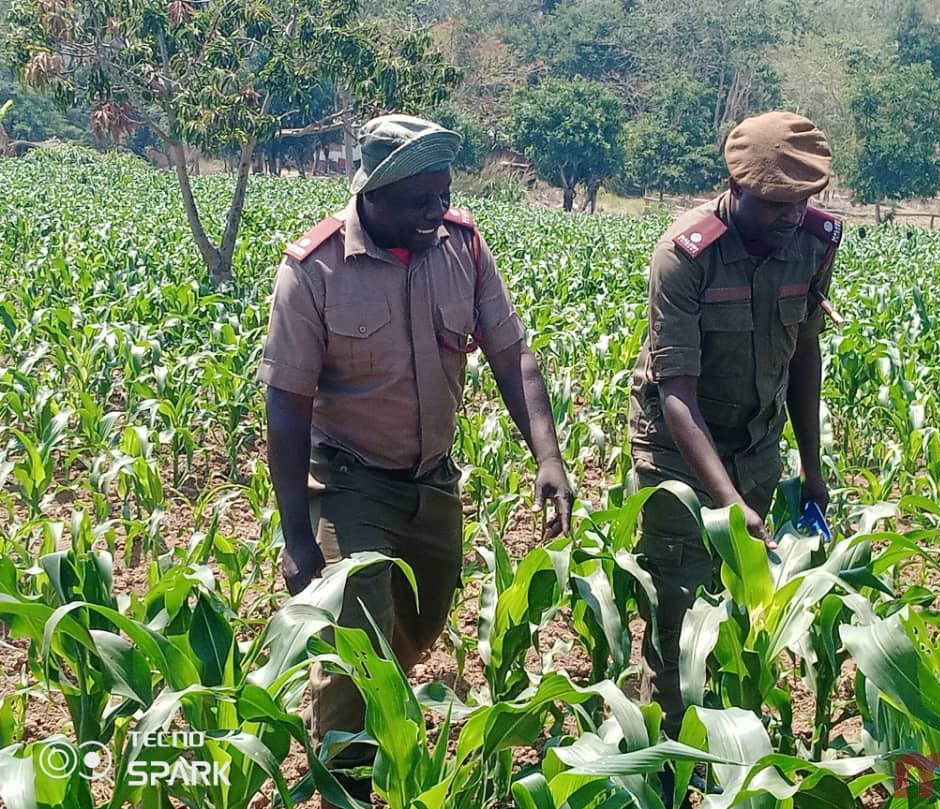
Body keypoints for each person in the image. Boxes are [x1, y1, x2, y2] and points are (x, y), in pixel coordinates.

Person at [257, 114, 574, 806]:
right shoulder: (314, 270)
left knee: (419, 626)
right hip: (347, 480)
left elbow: (511, 353)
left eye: (443, 195)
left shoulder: (462, 247)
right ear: (373, 193)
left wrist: (548, 455)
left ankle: (378, 719)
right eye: (419, 201)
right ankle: (346, 779)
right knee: (358, 645)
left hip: (431, 482)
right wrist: (296, 535)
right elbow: (286, 405)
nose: (437, 212)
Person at [627, 110, 842, 794]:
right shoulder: (684, 254)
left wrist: (809, 469)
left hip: (755, 448)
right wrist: (727, 504)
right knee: (678, 623)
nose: (792, 216)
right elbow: (677, 395)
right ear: (735, 186)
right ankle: (665, 774)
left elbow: (804, 351)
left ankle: (731, 768)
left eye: (803, 202)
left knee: (745, 620)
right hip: (679, 460)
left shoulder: (815, 241)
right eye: (778, 204)